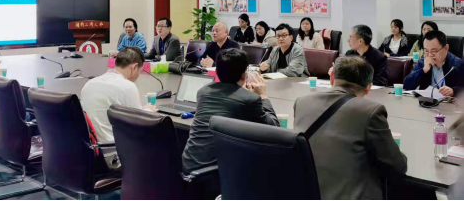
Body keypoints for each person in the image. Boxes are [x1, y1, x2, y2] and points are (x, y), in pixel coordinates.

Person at [294, 56, 407, 200]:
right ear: (368, 87)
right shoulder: (370, 111)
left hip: (306, 194)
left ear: (332, 77)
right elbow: (397, 166)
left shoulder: (302, 102)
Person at [182, 49, 279, 174]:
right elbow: (274, 128)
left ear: (217, 72)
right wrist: (263, 96)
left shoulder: (203, 92)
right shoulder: (249, 99)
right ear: (244, 75)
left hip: (189, 166)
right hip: (217, 174)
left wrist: (244, 93)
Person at [81, 47, 156, 167]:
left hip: (89, 154)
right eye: (139, 72)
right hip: (113, 156)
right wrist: (148, 111)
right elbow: (138, 126)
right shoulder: (127, 86)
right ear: (134, 67)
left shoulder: (89, 84)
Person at [403, 30, 464, 97]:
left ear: (446, 48)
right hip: (426, 102)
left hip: (448, 103)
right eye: (426, 51)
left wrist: (453, 91)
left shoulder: (457, 64)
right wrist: (423, 70)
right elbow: (406, 86)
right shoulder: (423, 63)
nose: (429, 55)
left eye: (434, 51)